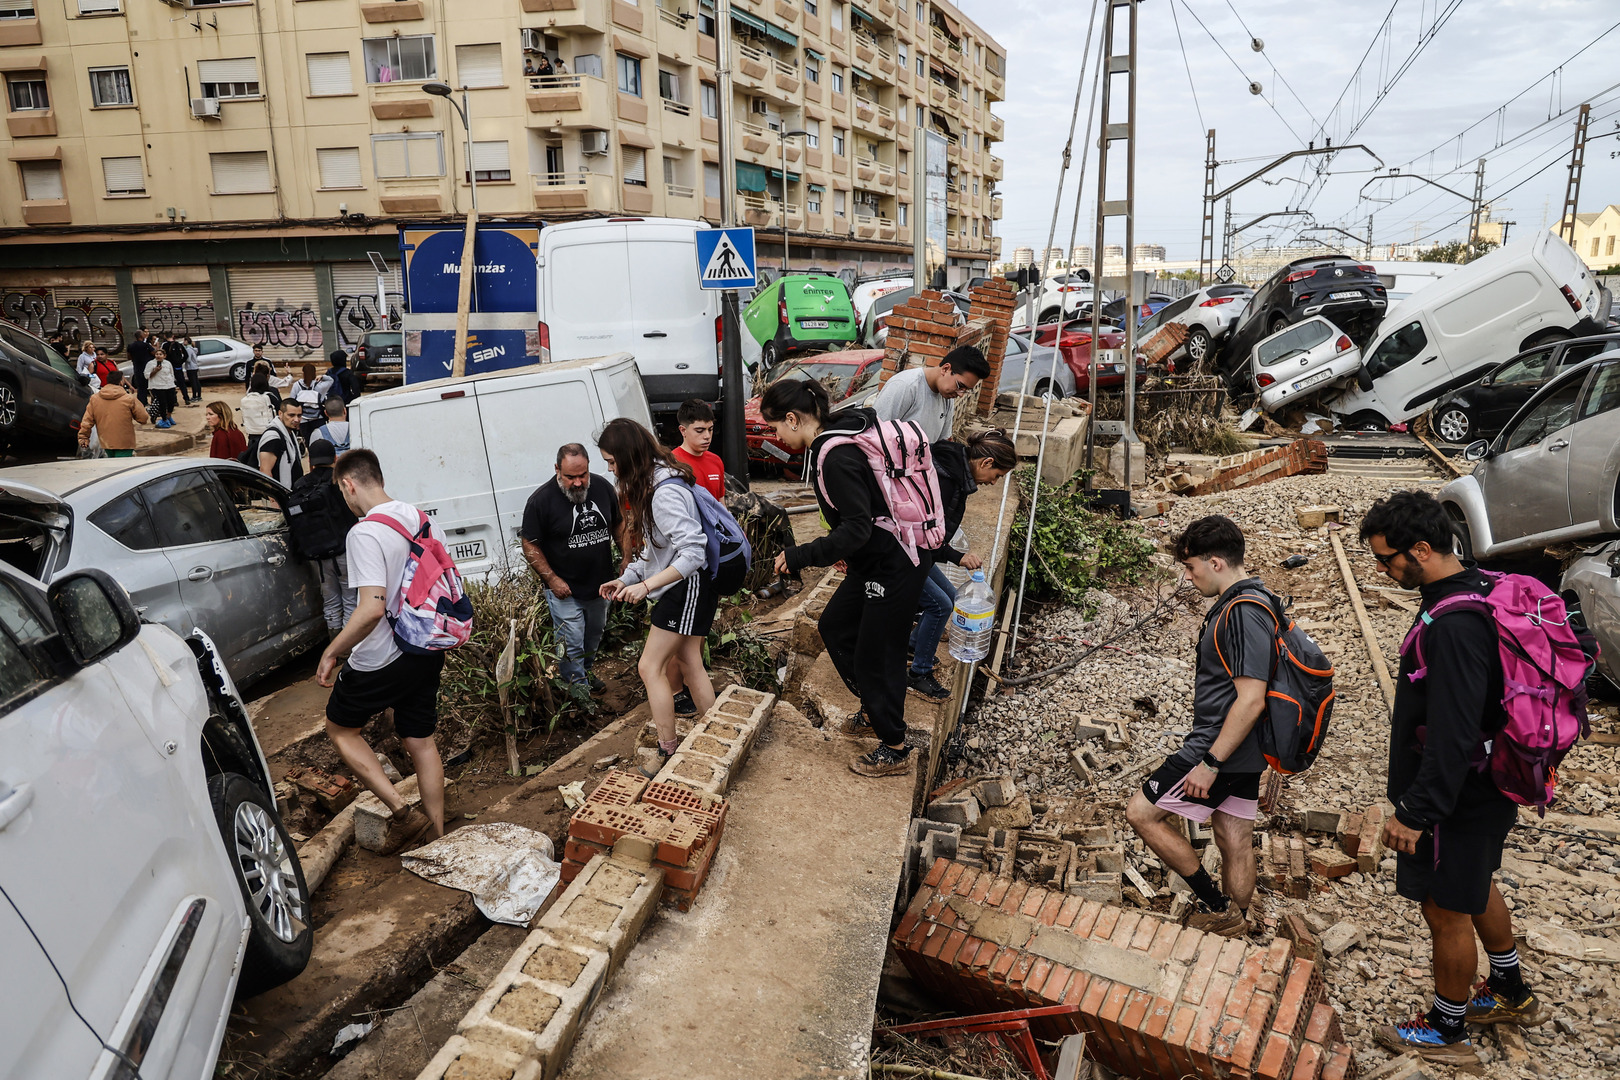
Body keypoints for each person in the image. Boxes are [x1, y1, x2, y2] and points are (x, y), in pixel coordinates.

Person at [1360, 491, 1543, 1064]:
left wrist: (1416, 812)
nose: (1385, 571)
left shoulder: (1455, 625)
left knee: (1445, 908)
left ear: (1421, 548)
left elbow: (1453, 733)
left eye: (1387, 559)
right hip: (1489, 782)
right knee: (1475, 880)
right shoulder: (1480, 588)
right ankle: (1510, 990)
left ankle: (1448, 1031)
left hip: (1463, 792)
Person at [765, 379, 929, 778]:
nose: (776, 436)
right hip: (874, 560)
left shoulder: (835, 457)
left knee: (876, 655)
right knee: (835, 625)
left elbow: (855, 528)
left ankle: (895, 747)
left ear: (793, 419)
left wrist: (800, 555)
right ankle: (876, 707)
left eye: (775, 428)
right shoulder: (843, 432)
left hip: (895, 561)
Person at [1124, 514, 1270, 938]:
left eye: (1191, 568)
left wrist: (1209, 761)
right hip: (1246, 746)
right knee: (1232, 833)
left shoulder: (1242, 613)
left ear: (1216, 563)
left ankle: (1218, 906)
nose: (1189, 578)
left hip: (1218, 745)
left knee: (1142, 813)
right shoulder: (1255, 599)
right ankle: (1239, 921)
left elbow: (1252, 698)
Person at [317, 449, 448, 852]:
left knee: (340, 729)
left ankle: (403, 815)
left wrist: (333, 651)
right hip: (426, 648)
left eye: (343, 492)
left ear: (348, 484)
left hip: (380, 660)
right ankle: (439, 836)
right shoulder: (422, 519)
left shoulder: (365, 533)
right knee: (421, 741)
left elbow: (372, 608)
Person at [596, 419, 717, 777]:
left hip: (688, 585)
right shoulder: (656, 481)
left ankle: (669, 750)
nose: (610, 470)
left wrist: (646, 587)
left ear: (628, 457)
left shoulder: (663, 492)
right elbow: (657, 552)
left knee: (649, 667)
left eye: (612, 462)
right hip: (689, 585)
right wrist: (627, 578)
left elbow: (693, 551)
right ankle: (713, 735)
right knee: (689, 658)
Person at [905, 429, 1017, 700]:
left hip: (920, 551)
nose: (994, 483)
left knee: (953, 597)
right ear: (986, 463)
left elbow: (932, 538)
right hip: (903, 553)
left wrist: (955, 555)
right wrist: (957, 556)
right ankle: (919, 674)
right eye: (998, 476)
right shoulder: (945, 480)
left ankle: (912, 644)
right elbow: (923, 534)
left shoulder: (956, 475)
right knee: (939, 604)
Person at [521, 443, 624, 697]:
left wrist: (627, 558)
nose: (578, 483)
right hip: (564, 590)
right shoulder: (541, 501)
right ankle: (576, 692)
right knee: (571, 643)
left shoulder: (602, 488)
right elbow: (529, 544)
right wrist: (552, 579)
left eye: (583, 475)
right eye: (571, 477)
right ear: (557, 469)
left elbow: (619, 524)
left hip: (600, 585)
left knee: (594, 635)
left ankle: (586, 673)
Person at [297, 439, 359, 636]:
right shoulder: (340, 483)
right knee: (350, 598)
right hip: (344, 551)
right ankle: (348, 650)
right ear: (335, 458)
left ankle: (334, 644)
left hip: (319, 556)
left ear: (311, 462)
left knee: (331, 600)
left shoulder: (300, 485)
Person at [872, 344, 992, 443]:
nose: (961, 394)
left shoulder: (947, 397)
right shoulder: (905, 386)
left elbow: (944, 442)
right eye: (960, 386)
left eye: (966, 390)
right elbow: (874, 434)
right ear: (945, 369)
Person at [78, 369, 148, 458]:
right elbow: (143, 418)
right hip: (124, 442)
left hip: (106, 442)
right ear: (121, 382)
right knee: (123, 468)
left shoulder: (95, 399)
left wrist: (83, 437)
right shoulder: (129, 399)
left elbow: (87, 421)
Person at [671, 398, 726, 500]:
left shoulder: (716, 461)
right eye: (700, 430)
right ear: (683, 430)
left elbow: (720, 504)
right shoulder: (672, 463)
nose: (707, 436)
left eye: (710, 429)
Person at [258, 397, 306, 486]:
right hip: (280, 494)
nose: (296, 420)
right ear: (280, 413)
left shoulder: (290, 433)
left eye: (299, 415)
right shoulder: (273, 437)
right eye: (291, 415)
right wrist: (273, 497)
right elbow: (265, 471)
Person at [291, 362, 336, 446]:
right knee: (320, 441)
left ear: (303, 373)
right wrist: (322, 377)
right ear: (315, 372)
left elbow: (292, 401)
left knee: (308, 443)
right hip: (318, 418)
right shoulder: (320, 386)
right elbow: (331, 380)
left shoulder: (297, 385)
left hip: (303, 419)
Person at [239, 368, 280, 459]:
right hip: (269, 434)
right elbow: (279, 410)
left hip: (252, 435)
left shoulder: (248, 397)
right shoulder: (271, 395)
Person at [145, 338, 179, 428]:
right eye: (157, 354)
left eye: (160, 354)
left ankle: (169, 416)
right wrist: (155, 371)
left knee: (171, 402)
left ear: (164, 356)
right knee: (162, 403)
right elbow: (146, 375)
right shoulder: (150, 364)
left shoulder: (168, 363)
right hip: (158, 386)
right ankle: (163, 419)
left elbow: (172, 374)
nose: (158, 356)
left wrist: (173, 384)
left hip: (169, 385)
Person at [126, 328, 154, 405]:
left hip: (137, 368)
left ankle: (142, 402)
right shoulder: (146, 345)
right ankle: (153, 402)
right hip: (146, 368)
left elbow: (129, 357)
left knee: (141, 387)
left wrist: (135, 359)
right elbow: (154, 353)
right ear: (142, 336)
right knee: (150, 386)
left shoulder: (130, 346)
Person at [180, 335, 202, 406]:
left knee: (193, 382)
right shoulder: (193, 349)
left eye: (184, 341)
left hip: (190, 367)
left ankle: (194, 396)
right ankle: (198, 395)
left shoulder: (188, 350)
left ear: (187, 341)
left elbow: (188, 359)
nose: (184, 342)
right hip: (195, 367)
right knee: (196, 381)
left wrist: (183, 358)